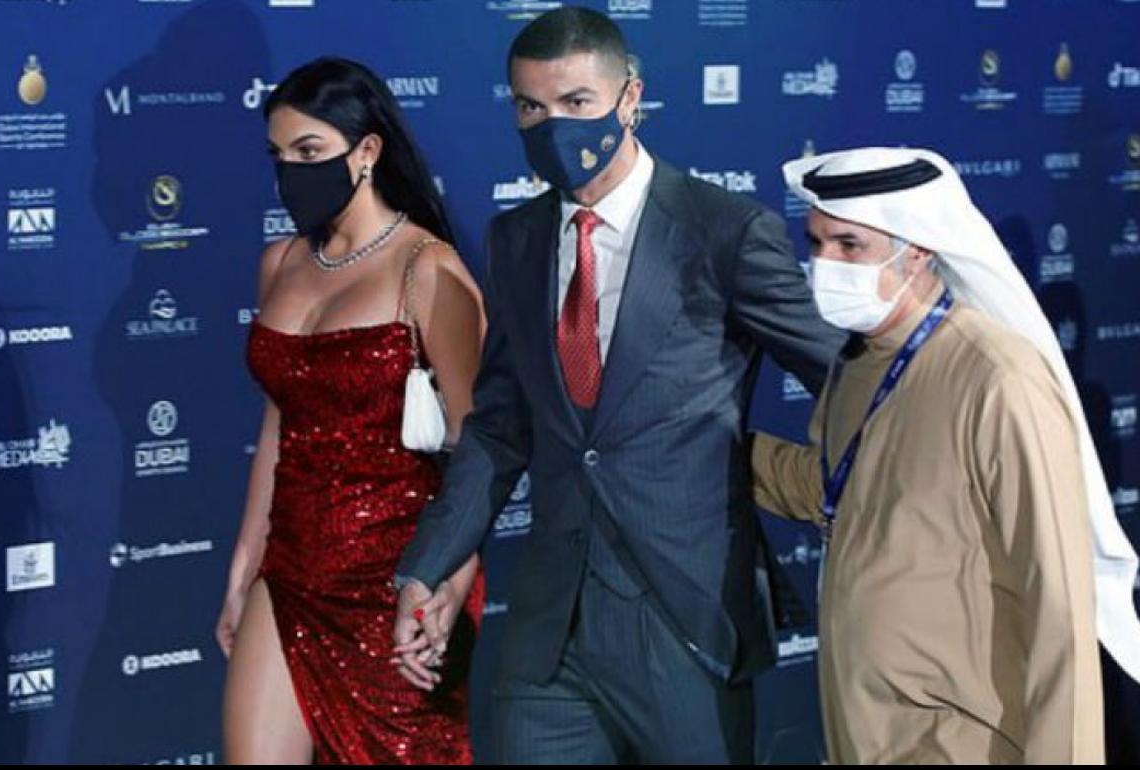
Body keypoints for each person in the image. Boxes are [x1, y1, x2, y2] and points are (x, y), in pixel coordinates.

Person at [390, 7, 845, 764]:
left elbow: (841, 375)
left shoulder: (724, 229)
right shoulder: (517, 239)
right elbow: (501, 426)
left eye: (576, 104)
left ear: (630, 100)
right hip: (549, 630)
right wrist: (428, 565)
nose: (552, 125)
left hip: (686, 620)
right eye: (531, 107)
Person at [751, 145, 1140, 763]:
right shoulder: (858, 365)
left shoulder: (998, 378)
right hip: (867, 731)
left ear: (919, 254)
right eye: (817, 243)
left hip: (964, 741)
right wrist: (713, 447)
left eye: (850, 247)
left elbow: (1057, 603)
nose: (825, 264)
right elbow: (838, 490)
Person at [216, 57, 486, 764]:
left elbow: (478, 455)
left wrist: (447, 585)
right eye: (279, 156)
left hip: (398, 586)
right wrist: (245, 565)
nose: (290, 173)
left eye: (309, 153)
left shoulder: (429, 272)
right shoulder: (280, 264)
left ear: (367, 151)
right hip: (292, 573)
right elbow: (281, 421)